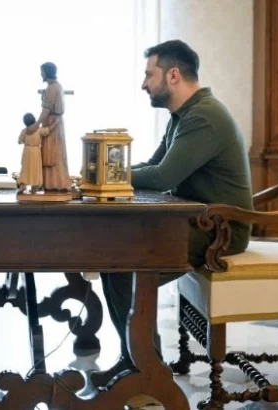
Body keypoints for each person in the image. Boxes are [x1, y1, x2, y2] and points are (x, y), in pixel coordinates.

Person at [92, 40, 254, 394]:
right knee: (111, 256)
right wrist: (102, 175)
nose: (144, 83)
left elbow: (162, 177)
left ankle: (148, 374)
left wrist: (103, 176)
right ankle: (134, 360)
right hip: (196, 222)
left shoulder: (204, 115)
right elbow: (153, 167)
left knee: (124, 266)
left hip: (221, 230)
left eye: (149, 74)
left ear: (173, 75)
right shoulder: (184, 115)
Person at [37, 62, 71, 191]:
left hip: (52, 123)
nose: (41, 75)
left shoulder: (51, 89)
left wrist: (35, 125)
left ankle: (52, 184)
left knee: (51, 155)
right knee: (56, 154)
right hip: (56, 123)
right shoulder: (58, 86)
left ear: (46, 72)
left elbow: (45, 111)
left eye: (42, 72)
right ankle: (56, 183)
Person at [17, 113, 47, 193]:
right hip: (35, 151)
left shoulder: (24, 131)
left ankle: (23, 186)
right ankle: (34, 186)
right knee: (35, 168)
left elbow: (19, 141)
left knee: (25, 169)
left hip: (27, 151)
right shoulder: (39, 129)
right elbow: (47, 131)